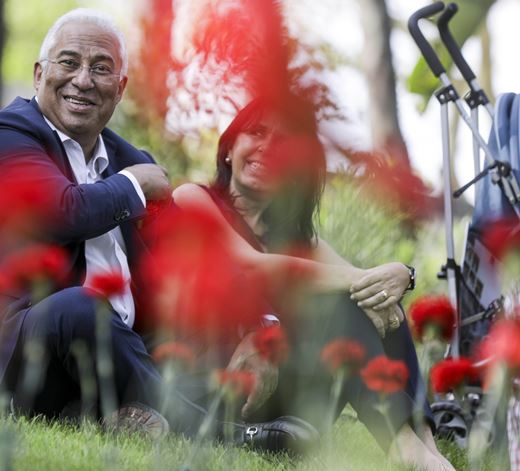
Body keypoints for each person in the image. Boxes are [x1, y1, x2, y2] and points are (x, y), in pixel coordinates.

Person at [0, 8, 235, 440]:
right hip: (10, 354)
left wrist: (256, 323)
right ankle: (224, 433)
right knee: (78, 308)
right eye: (69, 62)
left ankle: (118, 408)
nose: (82, 79)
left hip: (115, 347)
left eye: (101, 68)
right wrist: (133, 187)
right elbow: (63, 211)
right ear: (39, 74)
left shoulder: (132, 161)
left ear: (120, 88)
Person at [172, 98, 456, 471]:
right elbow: (251, 266)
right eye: (256, 133)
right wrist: (364, 280)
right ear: (229, 149)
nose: (268, 149)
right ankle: (404, 447)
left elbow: (370, 291)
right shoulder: (192, 199)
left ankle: (424, 448)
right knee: (351, 300)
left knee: (381, 306)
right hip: (213, 392)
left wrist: (402, 276)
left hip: (286, 399)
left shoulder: (299, 241)